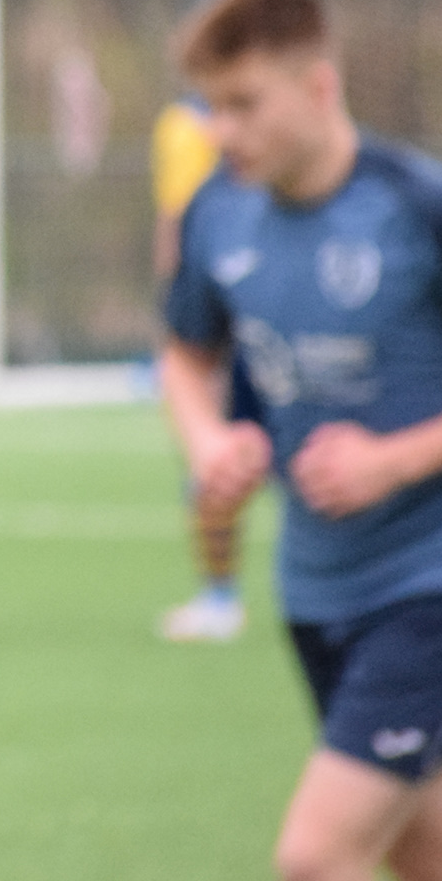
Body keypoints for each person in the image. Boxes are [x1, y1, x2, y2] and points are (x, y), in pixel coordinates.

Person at [157, 0, 442, 881]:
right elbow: (184, 356)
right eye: (212, 108)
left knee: (316, 856)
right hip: (319, 587)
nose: (224, 131)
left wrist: (396, 459)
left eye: (244, 104)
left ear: (320, 87)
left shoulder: (427, 207)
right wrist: (210, 444)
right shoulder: (217, 215)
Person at [153, 90, 266, 643]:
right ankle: (219, 595)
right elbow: (183, 355)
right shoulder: (213, 199)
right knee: (214, 468)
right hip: (234, 345)